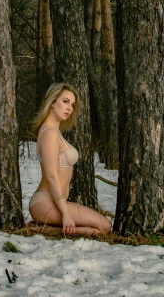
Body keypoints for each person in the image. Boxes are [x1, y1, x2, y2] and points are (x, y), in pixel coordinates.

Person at [29, 82, 112, 236]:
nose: (69, 108)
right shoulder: (49, 133)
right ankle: (50, 230)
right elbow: (52, 176)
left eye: (72, 104)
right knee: (104, 226)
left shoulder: (54, 131)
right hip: (45, 204)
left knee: (103, 228)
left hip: (56, 203)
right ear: (52, 102)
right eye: (65, 101)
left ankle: (51, 229)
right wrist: (65, 213)